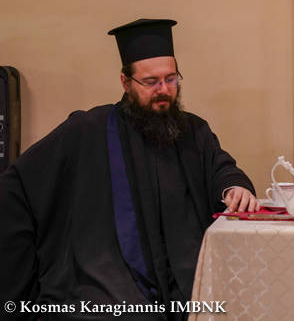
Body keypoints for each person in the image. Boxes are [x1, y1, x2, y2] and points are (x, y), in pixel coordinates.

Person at [0, 19, 258, 320]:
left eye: (171, 79)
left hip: (183, 272)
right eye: (151, 82)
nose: (164, 90)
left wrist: (234, 187)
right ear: (126, 82)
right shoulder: (87, 129)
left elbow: (222, 169)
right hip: (109, 273)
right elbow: (17, 184)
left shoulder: (193, 130)